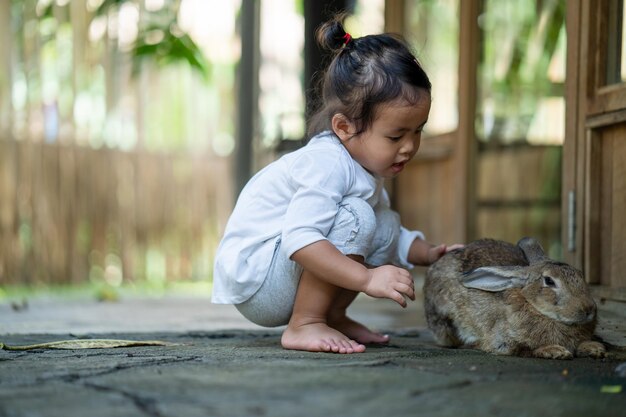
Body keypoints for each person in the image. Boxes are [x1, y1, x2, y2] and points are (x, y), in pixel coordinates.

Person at [212, 14, 462, 354]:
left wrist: (430, 254)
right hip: (259, 284)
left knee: (382, 221)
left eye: (418, 131)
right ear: (343, 127)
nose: (409, 146)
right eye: (395, 135)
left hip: (283, 273)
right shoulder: (327, 164)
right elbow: (301, 240)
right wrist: (367, 279)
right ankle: (305, 323)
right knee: (357, 216)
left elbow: (391, 236)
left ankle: (331, 315)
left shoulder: (364, 166)